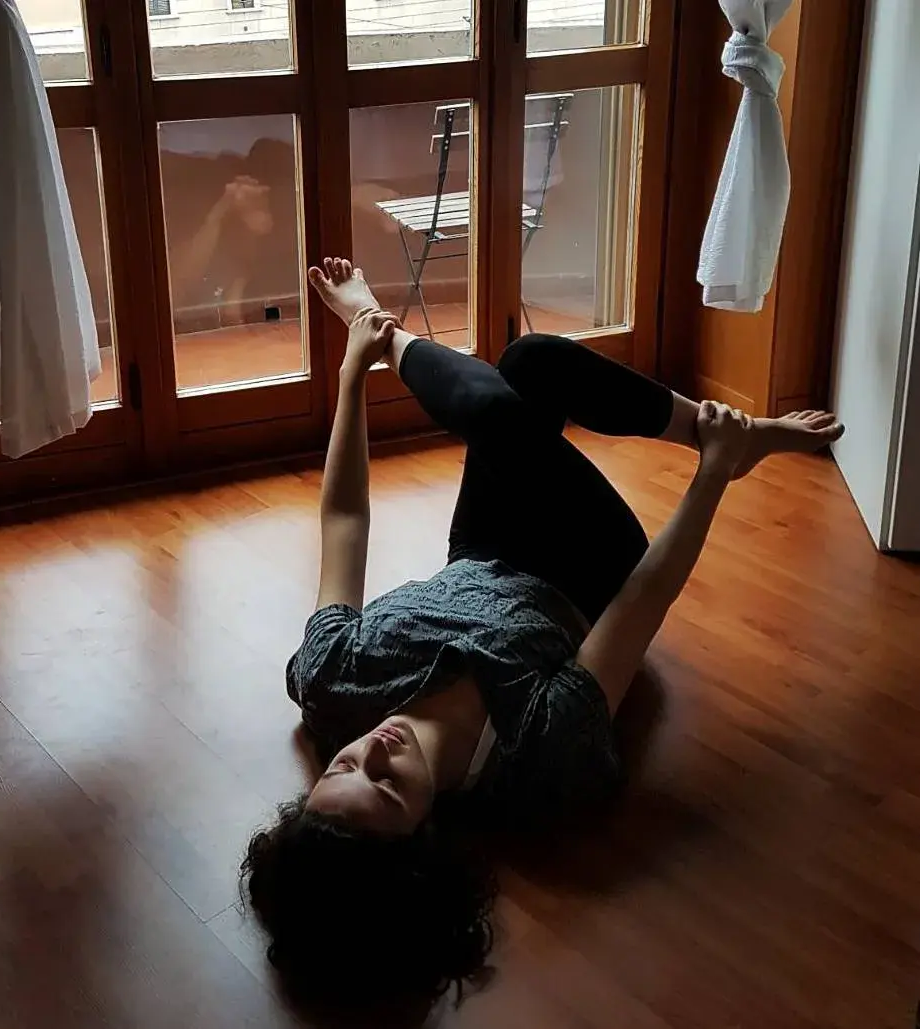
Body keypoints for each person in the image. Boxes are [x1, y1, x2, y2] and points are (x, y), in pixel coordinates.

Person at [241, 258, 844, 1012]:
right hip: (586, 570)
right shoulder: (537, 753)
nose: (373, 751)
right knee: (501, 408)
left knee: (530, 363)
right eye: (386, 787)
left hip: (482, 544)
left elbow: (342, 522)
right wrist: (710, 477)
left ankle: (377, 339)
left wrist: (349, 380)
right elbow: (642, 604)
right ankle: (390, 332)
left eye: (340, 770)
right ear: (427, 835)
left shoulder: (336, 679)